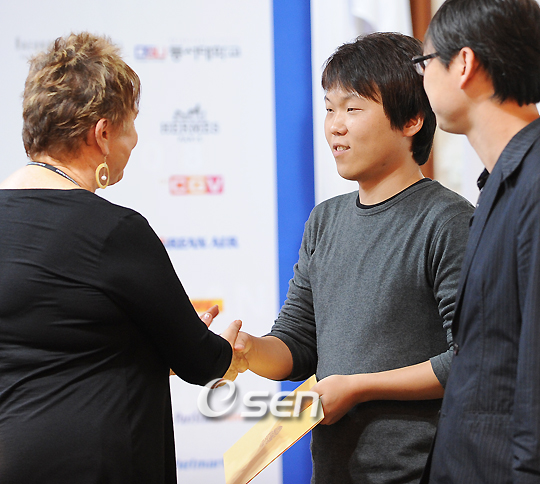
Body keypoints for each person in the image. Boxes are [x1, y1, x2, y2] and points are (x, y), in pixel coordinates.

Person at [0, 32, 242, 484]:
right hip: (99, 465)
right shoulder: (114, 231)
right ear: (102, 133)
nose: (134, 140)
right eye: (131, 123)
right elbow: (201, 362)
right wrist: (220, 347)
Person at [232, 32, 474, 483]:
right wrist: (247, 352)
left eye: (353, 108)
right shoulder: (324, 220)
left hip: (420, 471)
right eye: (329, 108)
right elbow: (297, 344)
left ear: (412, 120)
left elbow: (470, 357)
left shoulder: (447, 221)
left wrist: (360, 387)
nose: (335, 126)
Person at [416, 0, 540, 482]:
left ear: (463, 64)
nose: (423, 79)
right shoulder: (502, 181)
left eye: (425, 62)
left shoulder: (533, 183)